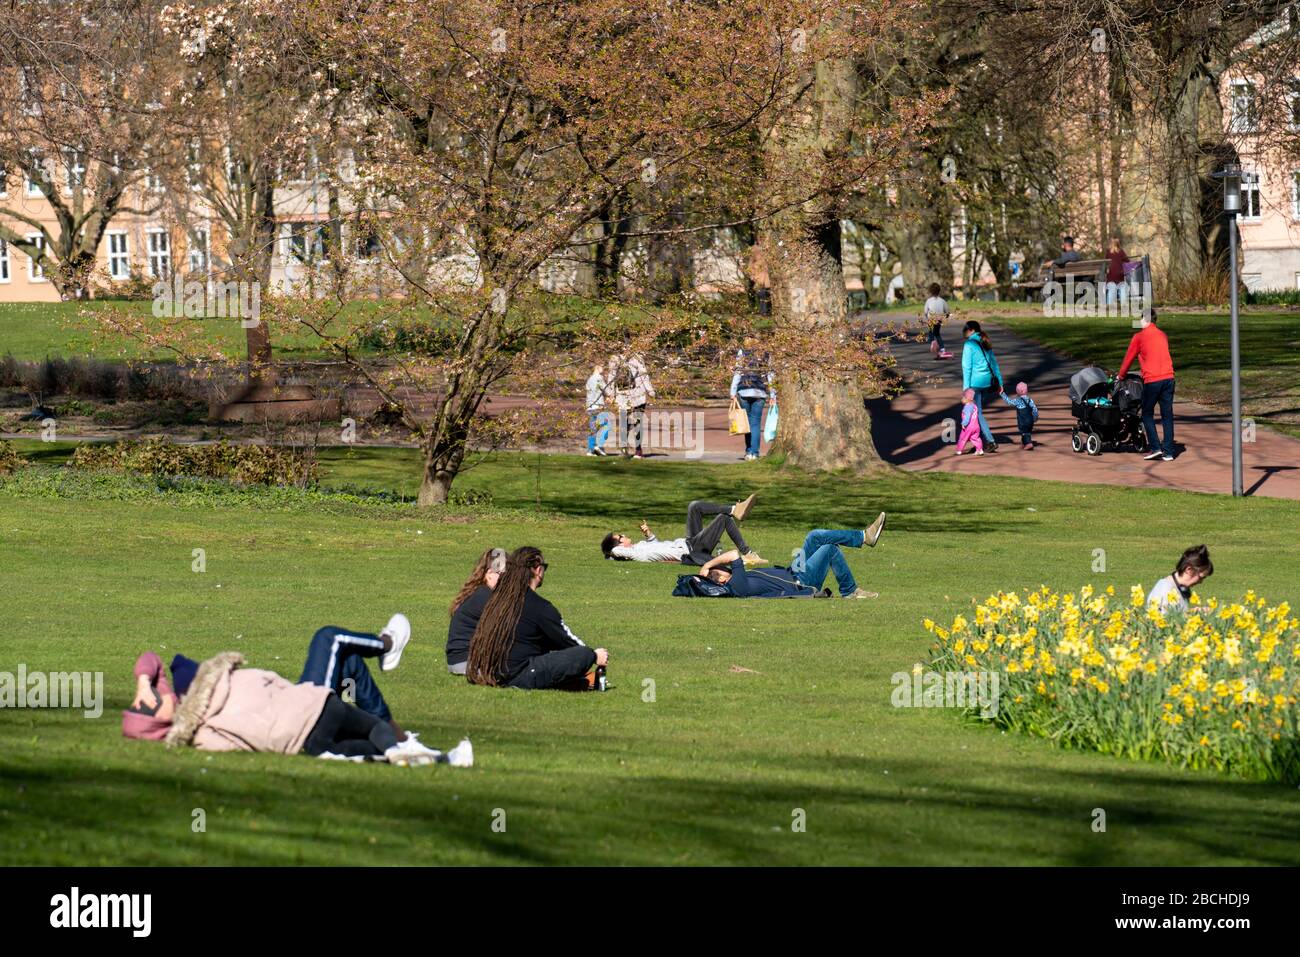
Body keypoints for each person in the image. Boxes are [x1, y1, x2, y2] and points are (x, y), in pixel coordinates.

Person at [127, 650, 470, 766]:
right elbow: (155, 660)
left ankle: (432, 759)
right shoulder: (217, 678)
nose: (155, 695)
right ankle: (399, 748)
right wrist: (145, 681)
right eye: (150, 703)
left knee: (365, 751)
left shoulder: (200, 735)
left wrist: (144, 684)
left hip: (305, 744)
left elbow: (152, 663)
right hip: (317, 707)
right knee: (371, 727)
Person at [465, 546, 609, 690]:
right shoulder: (540, 606)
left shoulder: (497, 599)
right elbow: (568, 641)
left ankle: (580, 682)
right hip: (519, 675)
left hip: (489, 672)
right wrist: (594, 655)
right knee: (582, 654)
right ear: (538, 570)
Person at [695, 514, 887, 599]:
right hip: (800, 582)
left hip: (793, 570)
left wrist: (707, 569)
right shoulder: (736, 585)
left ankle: (864, 537)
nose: (717, 573)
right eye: (714, 576)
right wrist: (707, 566)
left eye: (714, 571)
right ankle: (850, 591)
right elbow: (734, 554)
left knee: (814, 536)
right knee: (829, 549)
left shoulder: (736, 578)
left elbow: (731, 559)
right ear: (719, 583)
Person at [600, 494, 766, 566]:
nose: (624, 535)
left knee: (694, 506)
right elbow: (614, 552)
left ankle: (734, 509)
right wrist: (609, 551)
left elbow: (657, 546)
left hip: (688, 541)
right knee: (723, 519)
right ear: (620, 544)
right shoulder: (633, 554)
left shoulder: (640, 547)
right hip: (693, 550)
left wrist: (648, 534)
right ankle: (749, 553)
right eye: (621, 536)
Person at [1117, 307, 1176, 461]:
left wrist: (1120, 375)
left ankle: (1155, 447)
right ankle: (1169, 452)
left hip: (1153, 380)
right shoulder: (1163, 335)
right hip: (1169, 378)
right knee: (1167, 415)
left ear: (1145, 319)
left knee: (1147, 413)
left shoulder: (1139, 337)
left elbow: (1128, 359)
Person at [446, 547, 507, 675]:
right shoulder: (484, 596)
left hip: (459, 661)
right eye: (504, 575)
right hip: (467, 662)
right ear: (490, 574)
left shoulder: (478, 592)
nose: (508, 580)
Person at [960, 319, 1002, 450]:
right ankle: (977, 441)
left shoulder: (969, 344)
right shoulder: (985, 341)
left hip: (975, 383)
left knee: (976, 413)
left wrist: (966, 388)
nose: (964, 332)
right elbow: (994, 364)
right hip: (987, 382)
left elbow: (966, 367)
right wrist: (1000, 382)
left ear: (972, 330)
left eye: (965, 329)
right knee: (977, 412)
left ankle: (990, 441)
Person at [730, 338, 775, 460]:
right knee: (755, 423)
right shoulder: (766, 354)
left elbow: (738, 372)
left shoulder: (742, 352)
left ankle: (749, 451)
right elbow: (770, 374)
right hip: (760, 393)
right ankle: (754, 453)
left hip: (744, 391)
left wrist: (733, 391)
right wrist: (773, 394)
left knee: (747, 423)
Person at [1146, 544, 1213, 614]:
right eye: (1201, 577)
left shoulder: (1177, 587)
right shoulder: (1166, 591)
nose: (1201, 582)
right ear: (1189, 570)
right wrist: (1192, 612)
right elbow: (1166, 620)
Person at [611, 353, 655, 459]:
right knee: (637, 424)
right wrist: (650, 390)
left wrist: (611, 394)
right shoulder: (637, 357)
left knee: (624, 423)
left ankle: (624, 449)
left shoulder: (615, 358)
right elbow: (644, 376)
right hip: (637, 396)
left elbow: (611, 377)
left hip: (622, 397)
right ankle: (638, 450)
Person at [999, 381, 1039, 450]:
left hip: (1023, 421)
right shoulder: (1030, 400)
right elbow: (1035, 409)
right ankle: (1023, 443)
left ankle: (1029, 443)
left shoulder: (1018, 400)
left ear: (1018, 392)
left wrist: (1002, 394)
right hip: (1030, 420)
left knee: (1024, 432)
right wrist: (1035, 417)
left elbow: (1009, 402)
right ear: (1026, 391)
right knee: (1027, 432)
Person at [923, 283, 954, 360]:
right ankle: (942, 349)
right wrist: (946, 316)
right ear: (939, 291)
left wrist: (926, 317)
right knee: (937, 334)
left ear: (930, 291)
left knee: (931, 333)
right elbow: (947, 312)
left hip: (931, 320)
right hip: (939, 320)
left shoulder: (928, 301)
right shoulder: (942, 301)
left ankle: (933, 343)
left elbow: (925, 312)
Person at [585, 363, 610, 456]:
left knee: (593, 429)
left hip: (590, 407)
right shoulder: (599, 378)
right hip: (598, 406)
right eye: (602, 367)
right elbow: (607, 390)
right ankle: (598, 446)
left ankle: (590, 451)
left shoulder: (589, 379)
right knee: (606, 427)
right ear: (598, 367)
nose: (603, 369)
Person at [955, 388, 984, 456]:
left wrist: (964, 423)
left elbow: (967, 417)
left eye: (963, 397)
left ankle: (959, 450)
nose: (962, 399)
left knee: (962, 438)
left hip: (968, 427)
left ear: (967, 398)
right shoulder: (974, 406)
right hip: (976, 426)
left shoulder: (967, 407)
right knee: (976, 438)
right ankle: (980, 450)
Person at [1104, 237, 1129, 309]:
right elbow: (1127, 260)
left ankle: (1109, 305)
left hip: (1111, 275)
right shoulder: (1121, 251)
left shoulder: (1108, 252)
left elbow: (1105, 263)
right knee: (1122, 289)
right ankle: (1123, 304)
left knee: (1111, 289)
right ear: (1118, 244)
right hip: (1120, 274)